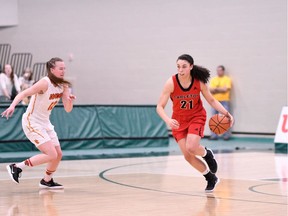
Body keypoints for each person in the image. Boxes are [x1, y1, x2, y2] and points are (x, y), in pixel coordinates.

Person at [156, 54, 234, 192]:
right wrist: (168, 120)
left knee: (192, 147)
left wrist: (226, 113)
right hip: (179, 121)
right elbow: (159, 106)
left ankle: (207, 154)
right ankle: (211, 178)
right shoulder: (171, 82)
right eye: (178, 67)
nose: (180, 70)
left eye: (184, 66)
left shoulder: (198, 82)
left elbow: (211, 100)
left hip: (196, 117)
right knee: (188, 156)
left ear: (191, 67)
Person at [1, 57, 76, 189]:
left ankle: (47, 180)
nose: (63, 70)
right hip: (32, 121)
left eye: (64, 68)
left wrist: (70, 101)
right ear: (52, 70)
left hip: (45, 122)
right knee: (51, 154)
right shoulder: (44, 83)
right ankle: (16, 167)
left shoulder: (63, 85)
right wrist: (12, 106)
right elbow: (24, 93)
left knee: (58, 154)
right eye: (60, 68)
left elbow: (68, 109)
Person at [209, 65, 232, 140]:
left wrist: (216, 89)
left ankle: (226, 135)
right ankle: (213, 136)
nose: (219, 72)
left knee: (225, 118)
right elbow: (211, 90)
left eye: (220, 70)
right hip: (215, 101)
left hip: (224, 101)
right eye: (217, 70)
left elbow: (225, 90)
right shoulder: (214, 79)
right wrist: (220, 89)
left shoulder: (227, 79)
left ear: (223, 71)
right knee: (213, 119)